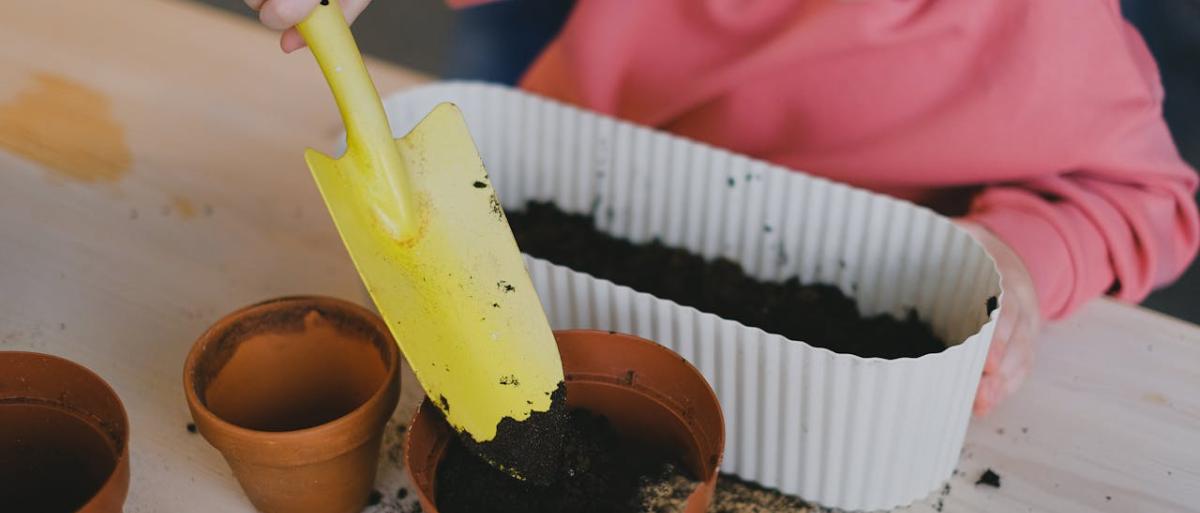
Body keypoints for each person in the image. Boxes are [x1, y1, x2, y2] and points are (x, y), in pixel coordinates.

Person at [246, 0, 1200, 415]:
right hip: (558, 265)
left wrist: (1023, 255)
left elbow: (1142, 193)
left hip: (836, 358)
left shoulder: (1056, 43)